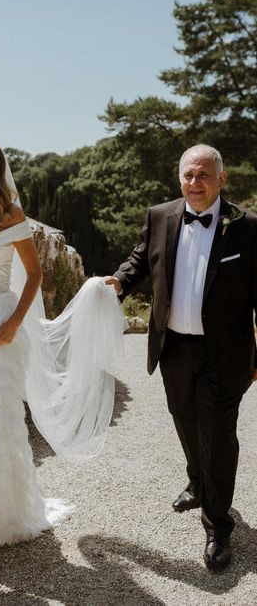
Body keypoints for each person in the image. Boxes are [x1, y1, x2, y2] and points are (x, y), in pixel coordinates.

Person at [0, 136, 121, 553]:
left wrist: (15, 322)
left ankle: (3, 519)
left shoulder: (10, 216)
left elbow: (34, 274)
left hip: (1, 326)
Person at [103, 143, 257, 570]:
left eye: (203, 175)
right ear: (179, 178)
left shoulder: (247, 227)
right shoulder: (159, 216)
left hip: (223, 354)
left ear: (221, 179)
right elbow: (142, 259)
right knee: (184, 418)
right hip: (173, 346)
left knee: (218, 435)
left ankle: (219, 528)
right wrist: (119, 281)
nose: (195, 183)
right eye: (188, 175)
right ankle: (196, 481)